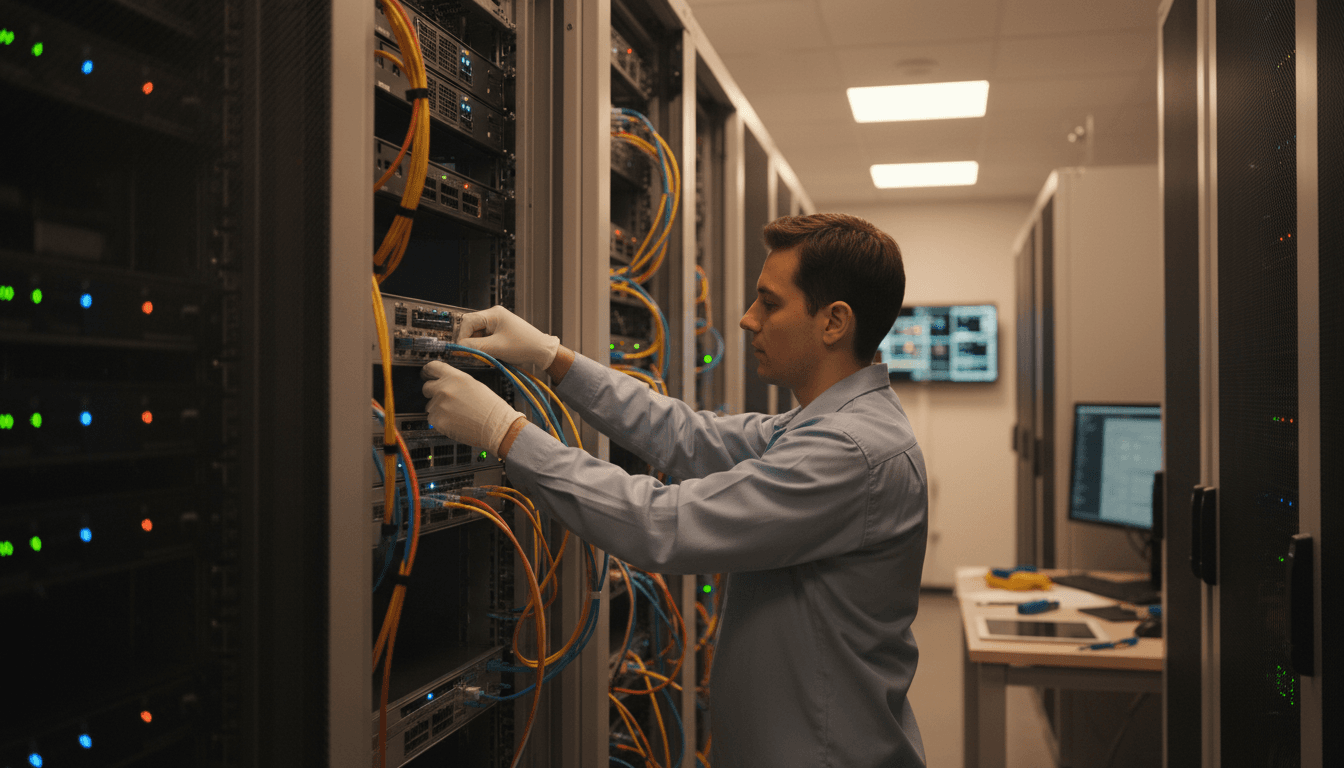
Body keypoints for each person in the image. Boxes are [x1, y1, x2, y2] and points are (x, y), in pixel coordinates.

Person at [421, 213, 928, 767]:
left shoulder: (850, 452)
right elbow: (684, 432)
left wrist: (505, 433)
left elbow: (659, 524)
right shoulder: (825, 425)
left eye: (770, 303)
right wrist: (552, 358)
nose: (747, 319)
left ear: (834, 322)